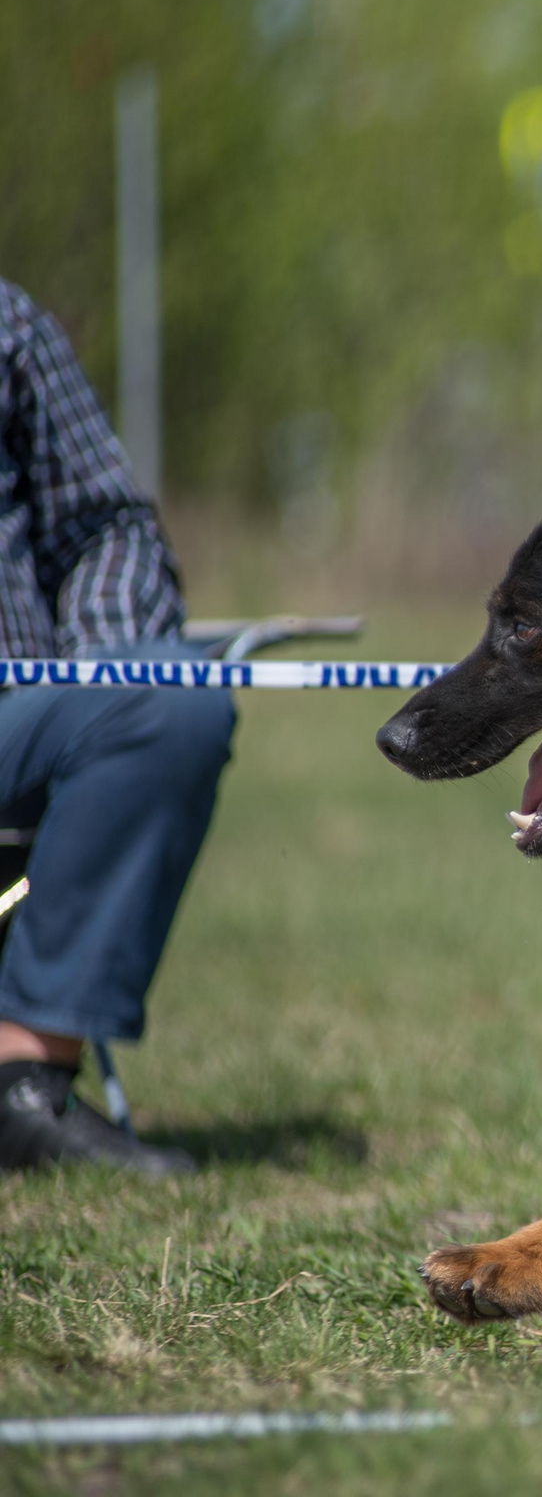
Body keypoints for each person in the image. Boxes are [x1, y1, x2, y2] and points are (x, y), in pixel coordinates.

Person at [0, 279, 234, 1176]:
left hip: (21, 713)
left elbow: (108, 528)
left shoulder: (10, 328)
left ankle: (25, 1079)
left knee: (170, 699)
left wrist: (103, 660)